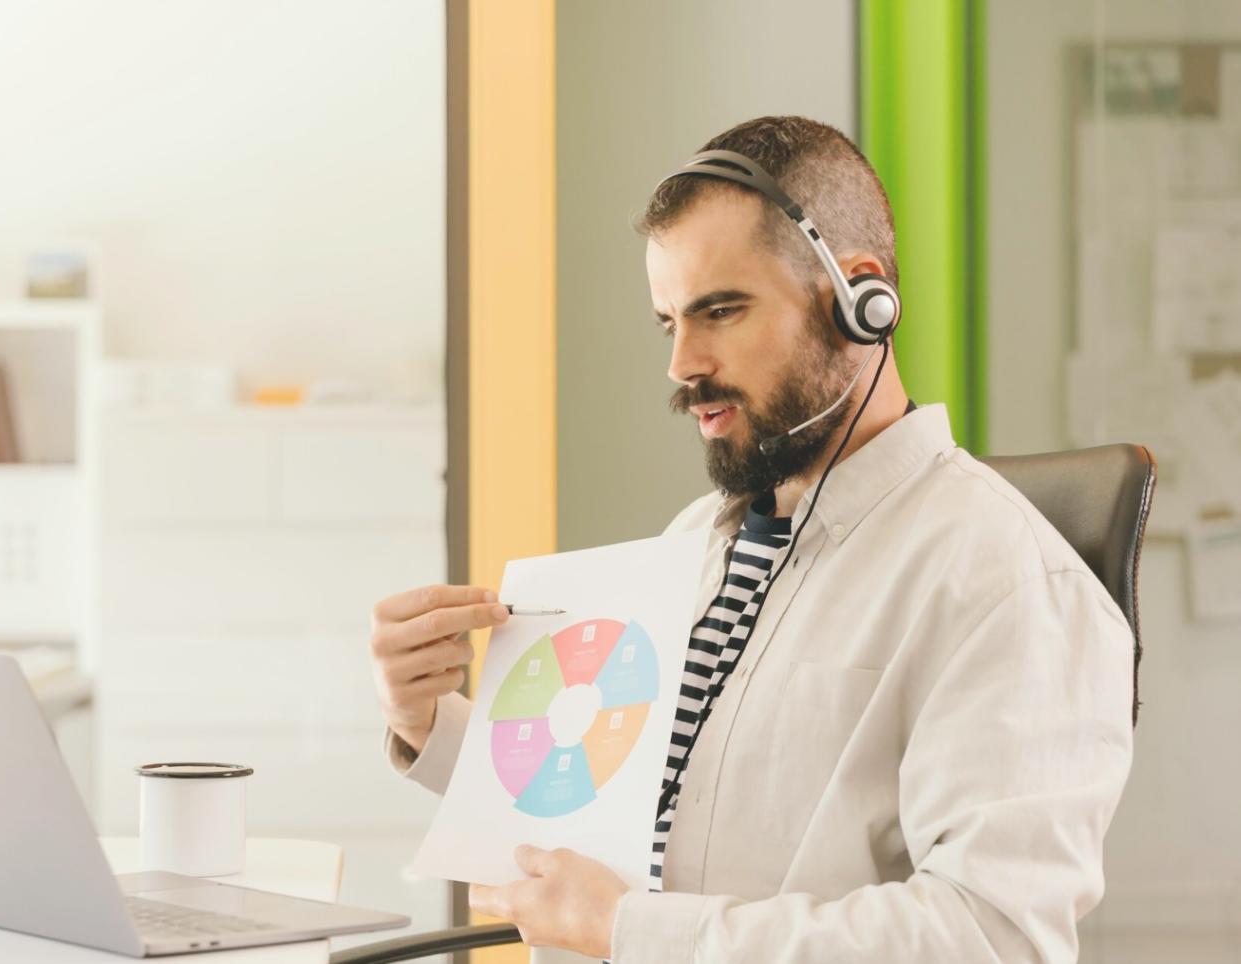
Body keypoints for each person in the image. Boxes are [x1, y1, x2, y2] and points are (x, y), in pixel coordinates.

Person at [368, 115, 1133, 963]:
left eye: (720, 310)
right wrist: (428, 723)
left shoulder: (1005, 581)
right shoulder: (699, 543)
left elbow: (992, 938)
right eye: (668, 322)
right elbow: (607, 805)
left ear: (859, 300)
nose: (681, 362)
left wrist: (628, 930)